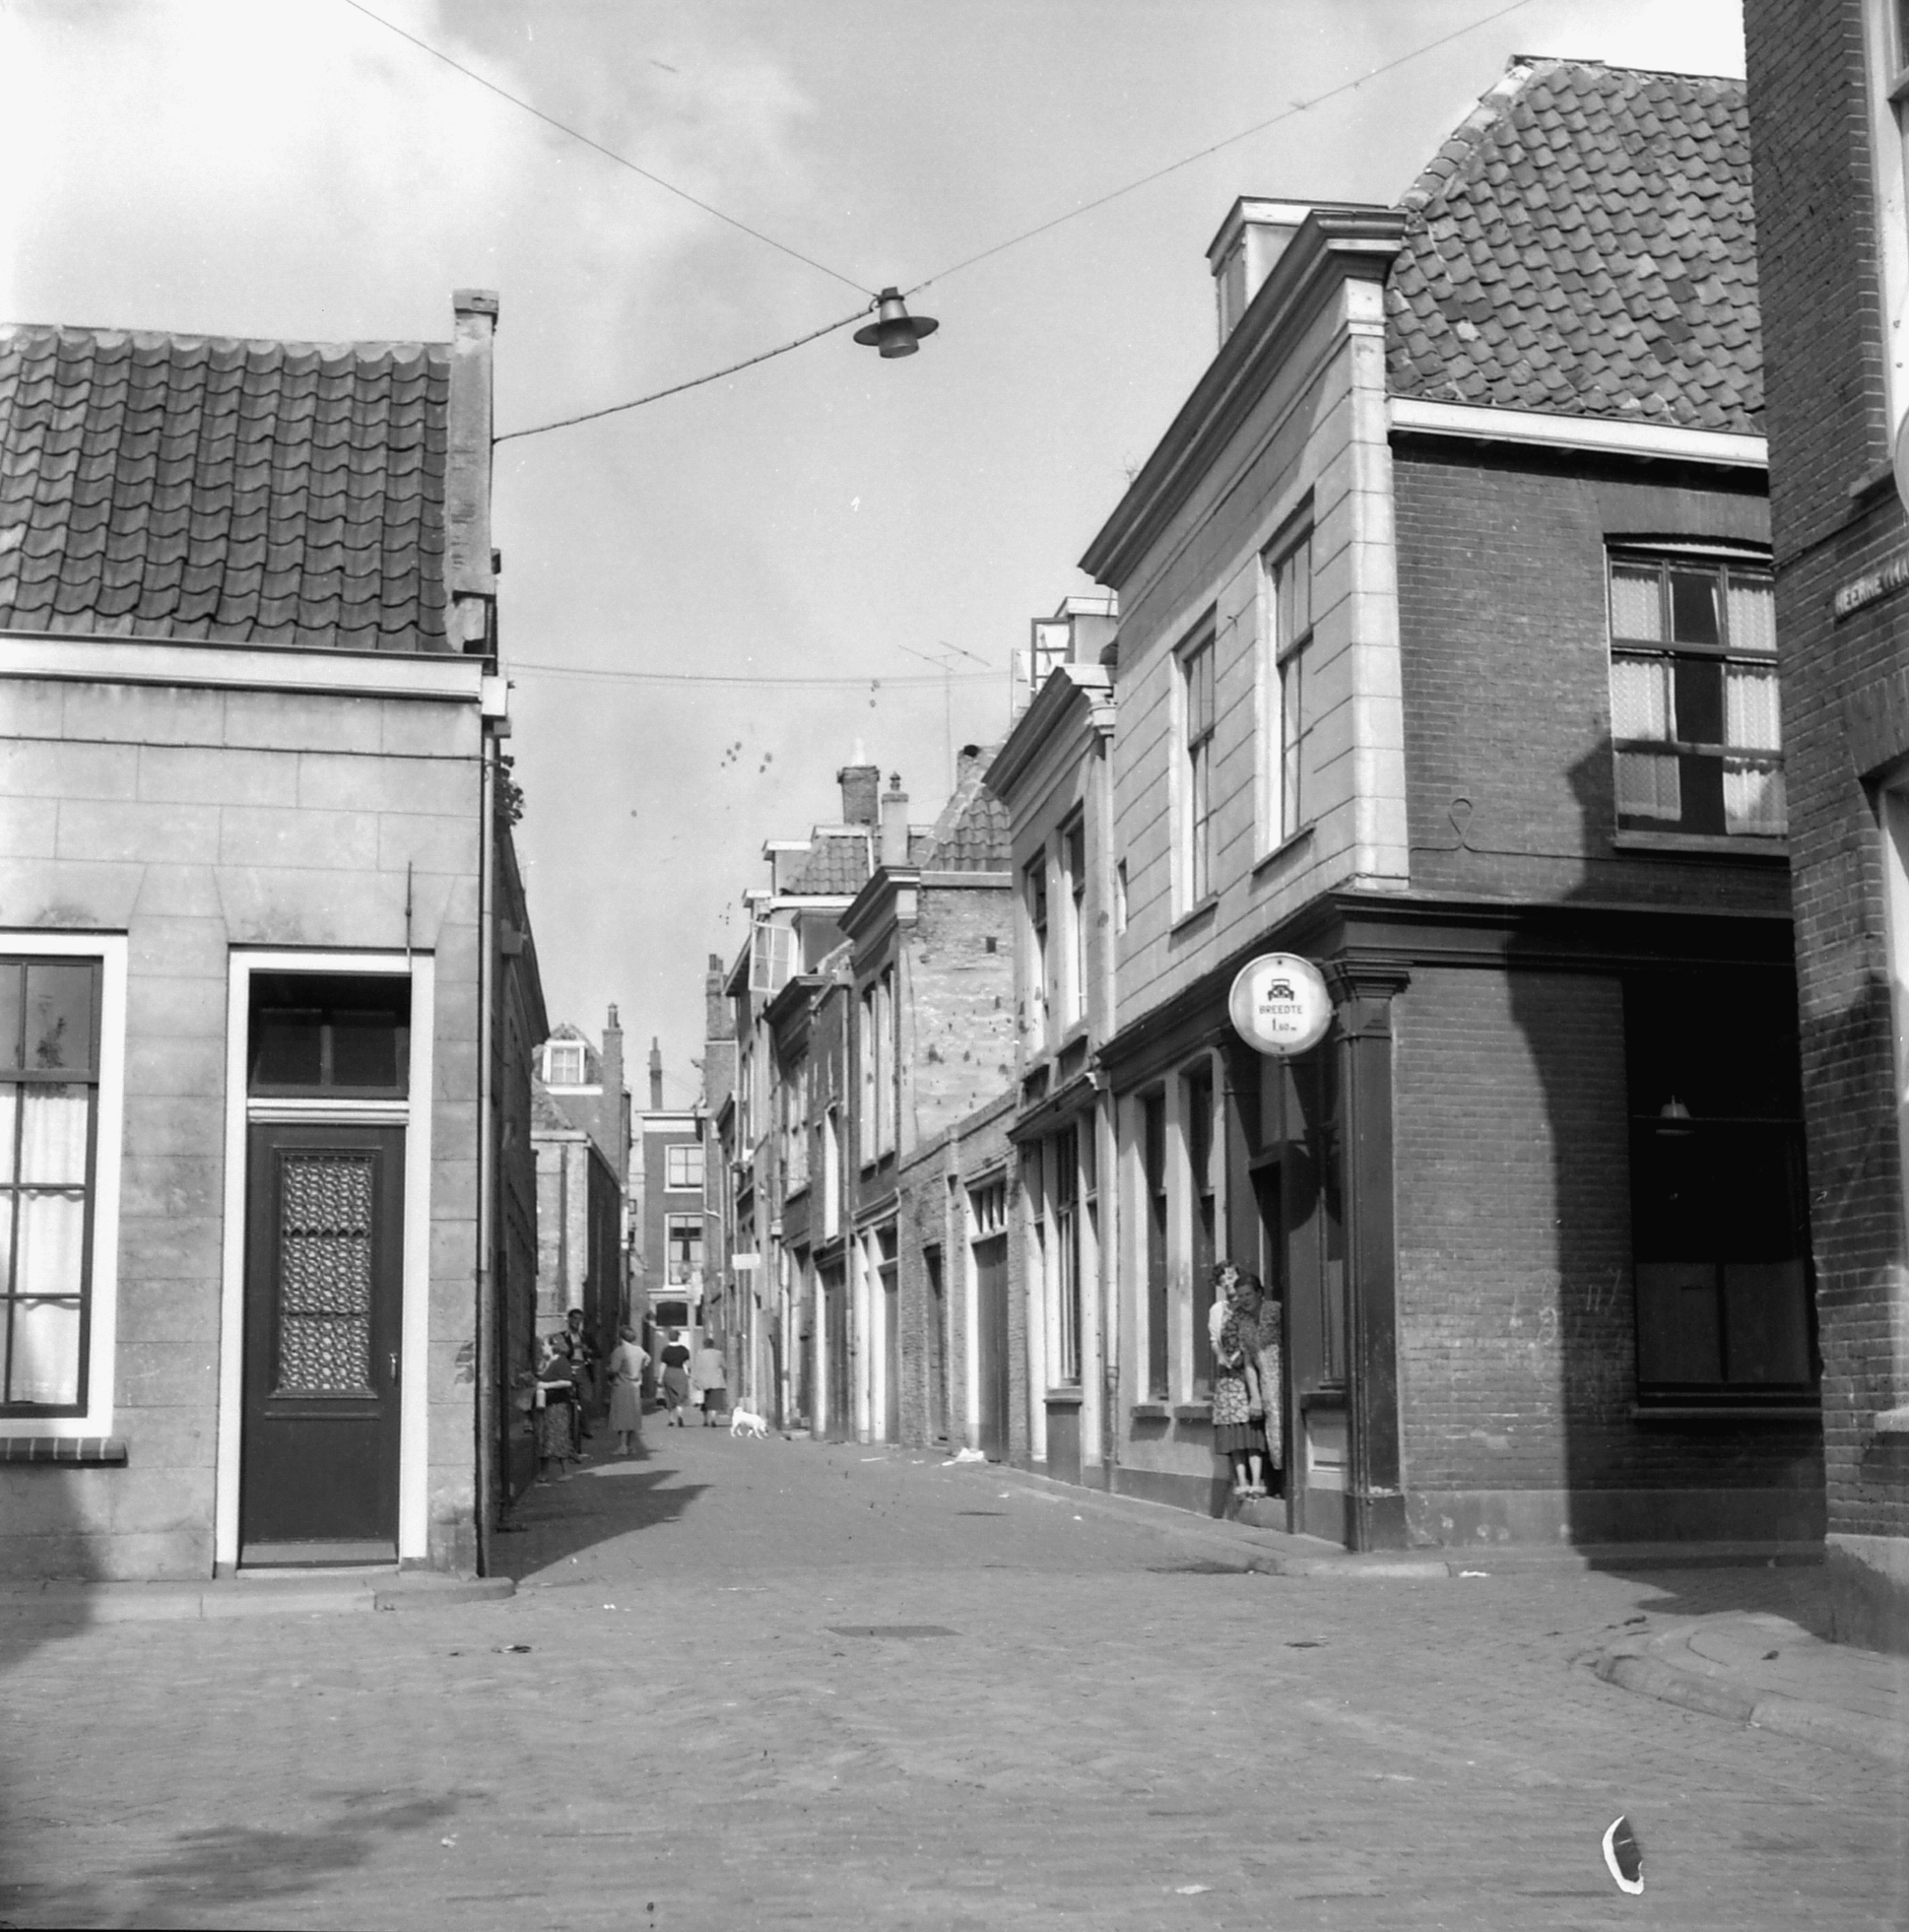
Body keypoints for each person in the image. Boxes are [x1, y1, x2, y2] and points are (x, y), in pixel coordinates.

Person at [1212, 1275, 1267, 1499]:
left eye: (1231, 1278)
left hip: (1248, 1375)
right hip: (1230, 1378)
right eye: (1223, 1280)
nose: (1242, 1298)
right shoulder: (1223, 1312)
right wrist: (1224, 1356)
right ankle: (1242, 1481)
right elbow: (1216, 1339)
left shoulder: (1254, 1314)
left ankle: (1256, 1480)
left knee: (1251, 1432)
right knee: (1235, 1432)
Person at [1245, 1269, 1284, 1492]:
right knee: (1274, 1428)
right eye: (1240, 1296)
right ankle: (1280, 1478)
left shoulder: (1275, 1310)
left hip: (1285, 1379)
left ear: (1260, 1293)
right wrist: (1255, 1396)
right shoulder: (1244, 1323)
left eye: (1248, 1294)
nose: (1244, 1300)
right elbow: (1249, 1362)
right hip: (1266, 1383)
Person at [532, 1335, 579, 1483]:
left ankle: (566, 1471)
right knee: (543, 1437)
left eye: (545, 1344)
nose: (542, 1347)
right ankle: (543, 1473)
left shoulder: (561, 1361)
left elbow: (567, 1382)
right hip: (544, 1404)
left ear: (553, 1346)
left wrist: (547, 1385)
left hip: (557, 1405)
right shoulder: (547, 1362)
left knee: (558, 1436)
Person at [605, 1324, 649, 1457]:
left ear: (620, 1337)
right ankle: (630, 1445)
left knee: (621, 1416)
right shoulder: (639, 1350)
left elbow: (614, 1369)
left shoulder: (620, 1351)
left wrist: (608, 1371)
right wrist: (640, 1369)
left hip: (622, 1385)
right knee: (632, 1416)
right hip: (635, 1385)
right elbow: (647, 1359)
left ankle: (623, 1445)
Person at [658, 1327, 691, 1427]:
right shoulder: (684, 1350)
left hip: (669, 1372)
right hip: (680, 1372)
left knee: (669, 1396)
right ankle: (680, 1415)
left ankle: (671, 1418)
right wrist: (688, 1373)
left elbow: (663, 1364)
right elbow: (687, 1364)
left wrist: (660, 1377)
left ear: (669, 1338)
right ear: (678, 1337)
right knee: (681, 1396)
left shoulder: (666, 1350)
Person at [694, 1333, 729, 1427]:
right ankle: (713, 1418)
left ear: (704, 1345)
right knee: (715, 1401)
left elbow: (697, 1368)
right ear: (713, 1344)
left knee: (705, 1401)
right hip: (716, 1380)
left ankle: (705, 1419)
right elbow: (724, 1366)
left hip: (703, 1381)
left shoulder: (700, 1354)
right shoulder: (719, 1354)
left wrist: (695, 1380)